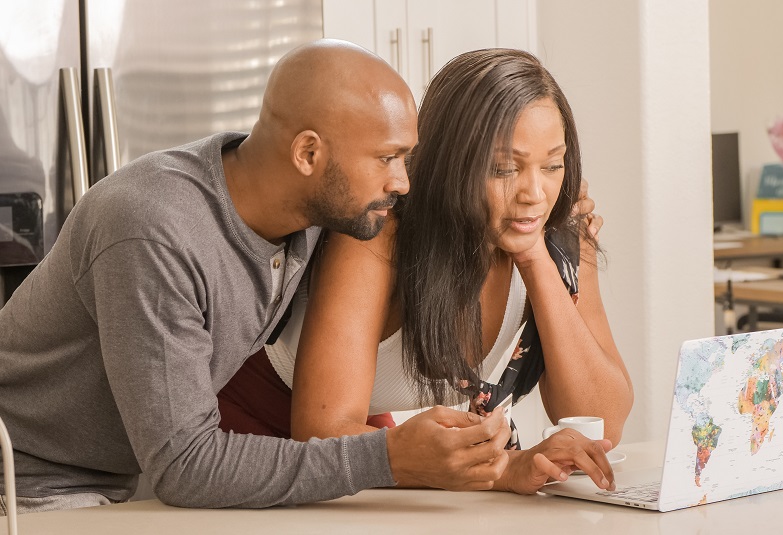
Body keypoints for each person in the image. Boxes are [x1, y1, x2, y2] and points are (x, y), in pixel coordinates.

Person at [0, 40, 514, 515]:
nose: (401, 182)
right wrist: (386, 457)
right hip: (24, 484)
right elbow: (186, 467)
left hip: (119, 482)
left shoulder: (309, 211)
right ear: (308, 154)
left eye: (406, 158)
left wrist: (541, 215)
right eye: (386, 159)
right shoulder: (154, 229)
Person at [218, 48, 634, 494]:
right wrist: (501, 470)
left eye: (553, 164)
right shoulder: (381, 232)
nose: (535, 192)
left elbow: (603, 422)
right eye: (504, 169)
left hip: (357, 432)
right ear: (449, 164)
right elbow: (320, 431)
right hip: (248, 425)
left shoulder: (562, 235)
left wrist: (535, 260)